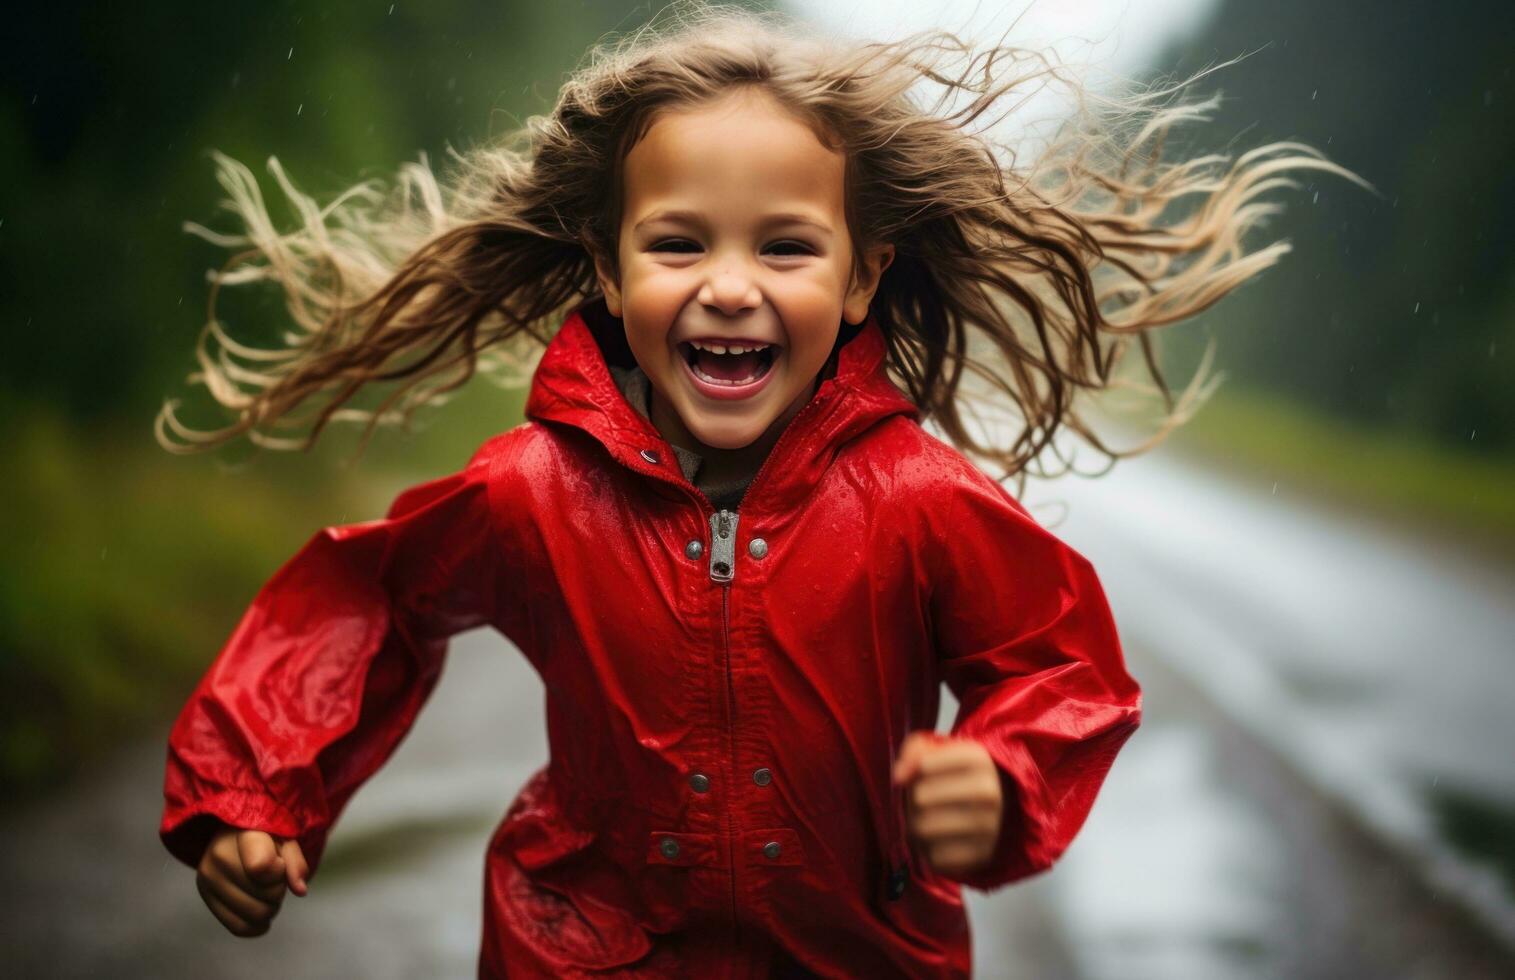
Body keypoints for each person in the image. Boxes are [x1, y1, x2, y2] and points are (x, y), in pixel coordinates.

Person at [155, 4, 1359, 977]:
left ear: (860, 276)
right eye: (679, 244)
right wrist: (252, 790)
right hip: (574, 956)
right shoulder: (536, 490)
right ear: (611, 269)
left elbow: (1062, 671)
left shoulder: (917, 499)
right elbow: (369, 600)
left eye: (783, 246)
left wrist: (1000, 777)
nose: (730, 286)